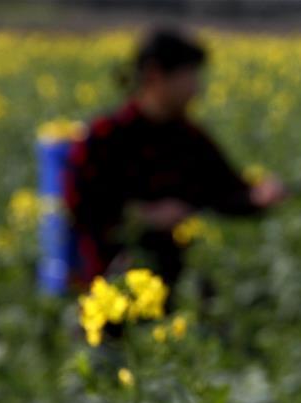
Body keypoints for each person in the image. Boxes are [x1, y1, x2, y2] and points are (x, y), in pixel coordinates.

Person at [64, 28, 286, 288]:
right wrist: (144, 216)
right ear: (156, 76)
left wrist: (258, 196)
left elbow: (225, 191)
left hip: (178, 282)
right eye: (189, 77)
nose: (197, 88)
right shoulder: (104, 136)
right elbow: (81, 206)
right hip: (114, 284)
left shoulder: (190, 138)